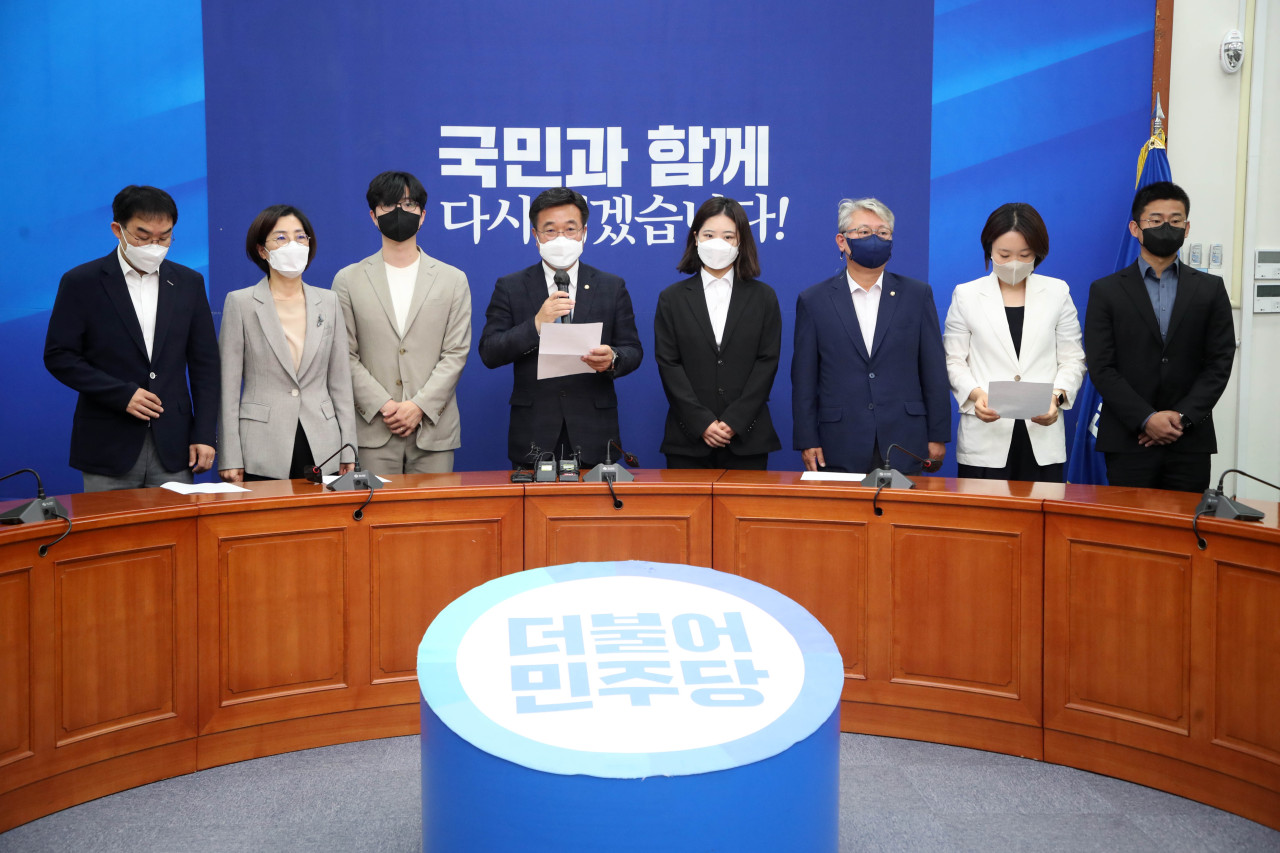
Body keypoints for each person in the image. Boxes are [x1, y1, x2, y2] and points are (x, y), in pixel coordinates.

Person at [44, 185, 219, 491]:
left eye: (164, 237)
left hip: (174, 446)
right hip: (108, 441)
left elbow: (205, 364)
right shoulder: (81, 282)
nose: (154, 244)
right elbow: (60, 356)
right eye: (142, 236)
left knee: (175, 535)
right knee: (110, 538)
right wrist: (121, 394)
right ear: (117, 229)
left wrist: (204, 433)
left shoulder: (189, 283)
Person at [1084, 181, 1235, 493]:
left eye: (1175, 220)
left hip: (1190, 440)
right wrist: (1145, 418)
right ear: (1135, 228)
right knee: (1130, 536)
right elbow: (1101, 366)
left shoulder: (1210, 289)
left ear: (1187, 227)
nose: (1166, 226)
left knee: (1186, 535)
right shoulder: (1106, 290)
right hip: (1128, 440)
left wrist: (1181, 417)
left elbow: (1219, 362)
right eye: (1155, 220)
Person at [479, 186, 643, 468]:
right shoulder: (511, 286)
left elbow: (633, 350)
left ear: (584, 233)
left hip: (594, 431)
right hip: (534, 430)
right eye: (550, 230)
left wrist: (613, 358)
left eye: (570, 229)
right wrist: (536, 324)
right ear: (535, 236)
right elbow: (490, 352)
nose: (561, 238)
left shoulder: (611, 286)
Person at [792, 197, 949, 474]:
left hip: (905, 439)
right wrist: (807, 438)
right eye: (864, 232)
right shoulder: (814, 300)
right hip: (839, 441)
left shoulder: (917, 295)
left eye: (883, 233)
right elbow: (805, 377)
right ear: (842, 241)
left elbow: (933, 369)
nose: (874, 238)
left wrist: (937, 434)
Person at [332, 171, 471, 475]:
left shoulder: (452, 279)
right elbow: (344, 355)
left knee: (434, 521)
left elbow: (456, 353)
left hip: (434, 430)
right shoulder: (348, 280)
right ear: (373, 216)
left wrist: (418, 406)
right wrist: (384, 404)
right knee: (374, 520)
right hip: (373, 431)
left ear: (422, 216)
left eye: (408, 205)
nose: (399, 213)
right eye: (389, 205)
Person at [943, 203, 1086, 482]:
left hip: (1042, 436)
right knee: (984, 522)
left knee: (1041, 522)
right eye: (1004, 255)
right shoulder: (966, 295)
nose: (1013, 263)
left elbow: (1073, 358)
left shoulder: (1057, 292)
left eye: (1024, 255)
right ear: (989, 250)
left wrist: (1056, 397)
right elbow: (953, 360)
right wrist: (975, 394)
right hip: (985, 437)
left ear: (1038, 253)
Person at [217, 205, 358, 483]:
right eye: (281, 238)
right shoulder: (241, 303)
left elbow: (341, 381)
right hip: (261, 443)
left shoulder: (328, 302)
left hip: (323, 442)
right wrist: (230, 455)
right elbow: (228, 387)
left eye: (300, 237)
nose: (293, 244)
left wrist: (348, 449)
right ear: (262, 250)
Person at [653, 197, 781, 469]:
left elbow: (767, 362)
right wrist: (702, 422)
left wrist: (735, 421)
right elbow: (669, 363)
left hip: (748, 438)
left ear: (740, 242)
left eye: (728, 236)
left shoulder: (763, 297)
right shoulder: (672, 298)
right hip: (688, 439)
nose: (718, 243)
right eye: (709, 235)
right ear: (696, 238)